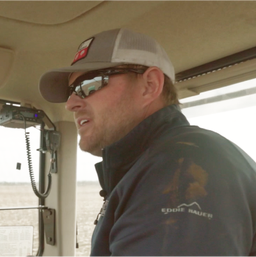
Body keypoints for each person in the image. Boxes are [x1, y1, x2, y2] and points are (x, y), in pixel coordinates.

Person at [39, 28, 256, 257]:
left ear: (149, 85)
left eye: (88, 85)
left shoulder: (181, 166)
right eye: (72, 91)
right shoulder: (148, 166)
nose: (71, 103)